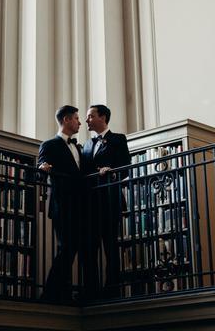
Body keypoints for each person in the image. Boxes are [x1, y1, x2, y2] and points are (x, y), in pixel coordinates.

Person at [82, 103, 131, 299]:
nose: (87, 120)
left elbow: (125, 167)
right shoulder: (86, 144)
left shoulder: (118, 139)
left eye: (90, 116)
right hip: (90, 203)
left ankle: (112, 290)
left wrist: (109, 170)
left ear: (103, 117)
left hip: (110, 199)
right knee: (89, 249)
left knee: (111, 246)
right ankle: (91, 291)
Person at [37, 104, 84, 302]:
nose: (80, 122)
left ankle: (62, 293)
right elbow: (42, 163)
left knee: (74, 248)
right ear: (66, 119)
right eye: (76, 118)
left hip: (81, 206)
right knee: (66, 247)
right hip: (63, 205)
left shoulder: (79, 147)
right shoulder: (49, 144)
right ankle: (50, 293)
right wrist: (42, 167)